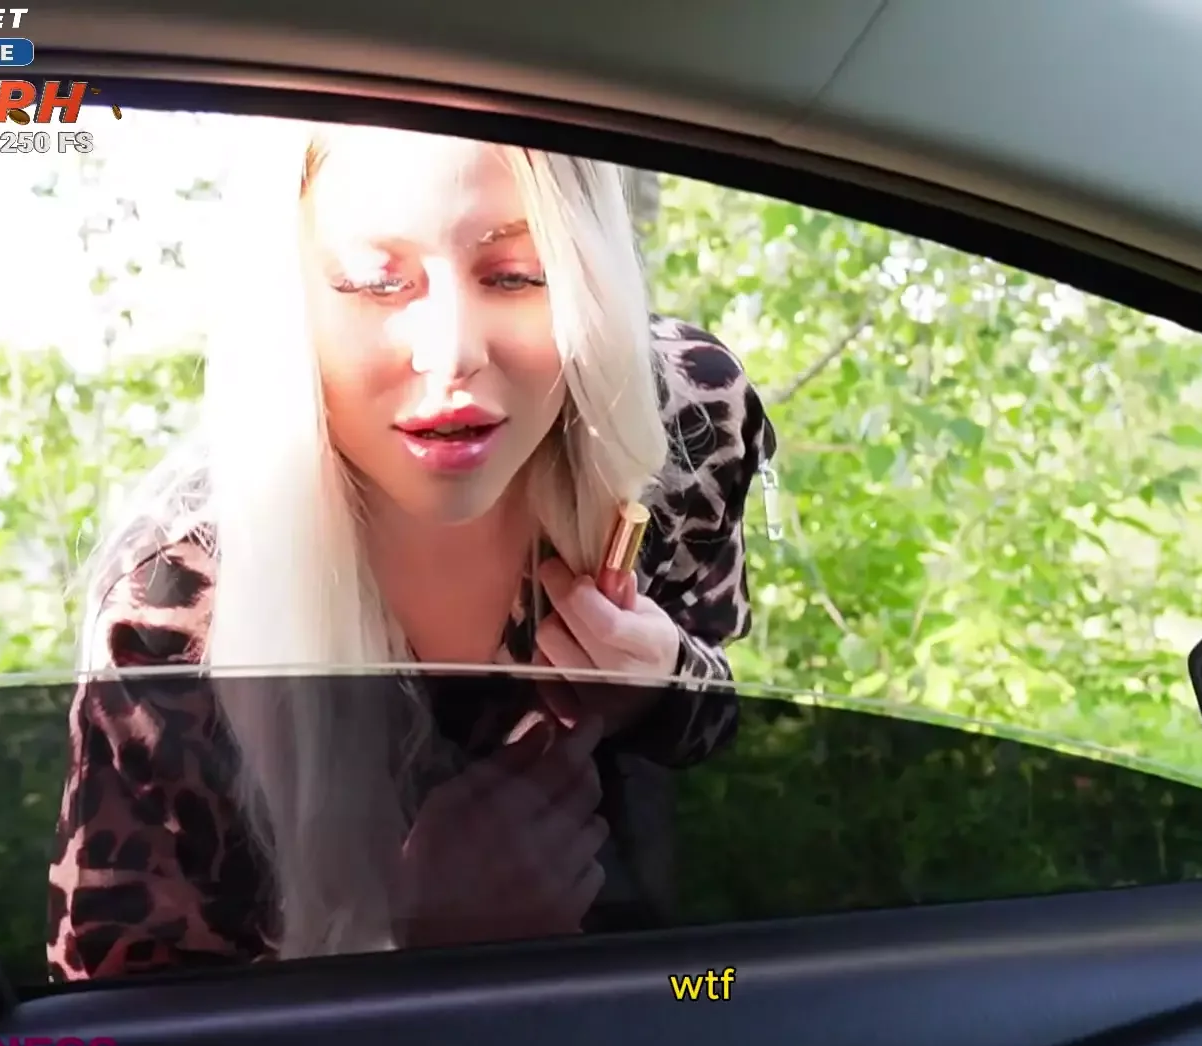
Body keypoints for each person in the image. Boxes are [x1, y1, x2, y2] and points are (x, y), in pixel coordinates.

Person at [44, 120, 776, 981]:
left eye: (517, 274)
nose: (452, 354)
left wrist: (661, 683)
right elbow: (123, 1017)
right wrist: (414, 952)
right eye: (375, 283)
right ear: (286, 306)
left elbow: (718, 719)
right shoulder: (176, 602)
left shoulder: (687, 419)